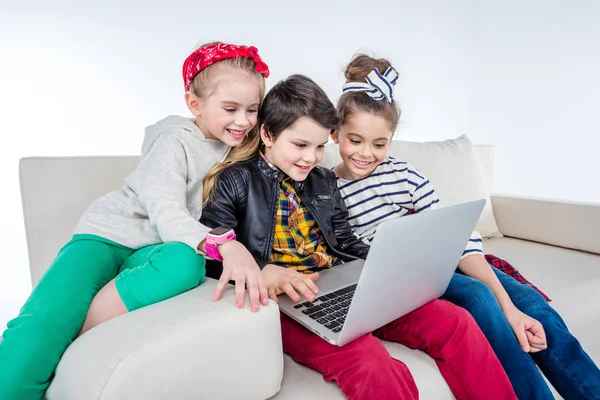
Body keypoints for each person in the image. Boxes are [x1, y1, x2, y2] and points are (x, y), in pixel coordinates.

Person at [200, 74, 518, 400]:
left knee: (457, 322)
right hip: (289, 304)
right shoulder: (235, 181)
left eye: (321, 146)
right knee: (372, 365)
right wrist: (264, 271)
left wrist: (384, 261)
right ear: (267, 134)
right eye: (300, 145)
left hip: (345, 286)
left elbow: (344, 239)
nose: (311, 157)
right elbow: (210, 253)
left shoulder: (322, 180)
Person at [0, 42, 270, 400]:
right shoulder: (173, 140)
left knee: (186, 263)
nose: (244, 120)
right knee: (40, 325)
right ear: (194, 104)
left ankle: (79, 337)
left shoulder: (240, 147)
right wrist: (223, 244)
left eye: (252, 110)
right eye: (231, 108)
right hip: (107, 238)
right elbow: (165, 212)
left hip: (158, 248)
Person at [331, 53, 600, 400]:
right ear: (335, 133)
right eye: (355, 140)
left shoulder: (405, 176)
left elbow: (459, 242)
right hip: (401, 282)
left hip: (444, 263)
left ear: (391, 139)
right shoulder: (325, 188)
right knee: (478, 296)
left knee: (532, 306)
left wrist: (511, 307)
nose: (366, 153)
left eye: (380, 144)